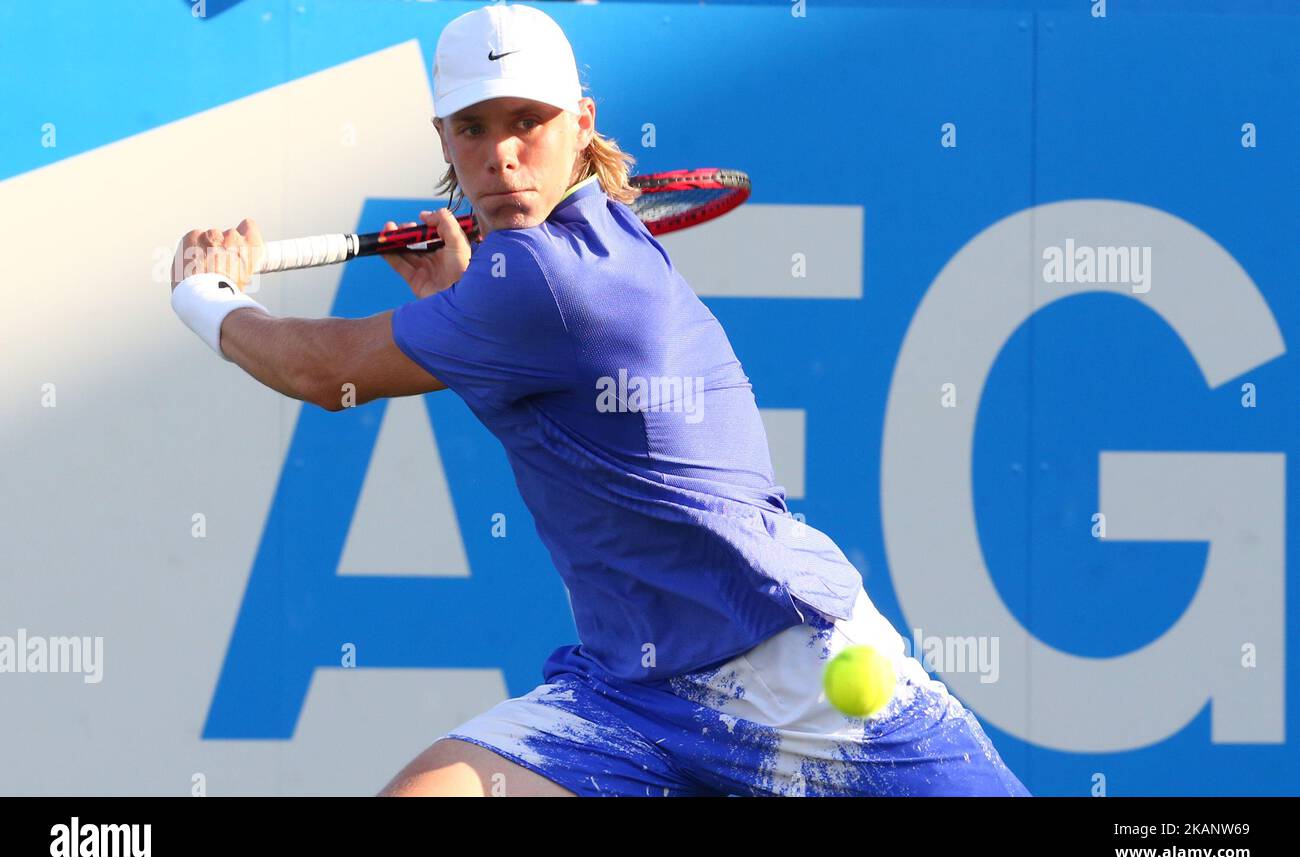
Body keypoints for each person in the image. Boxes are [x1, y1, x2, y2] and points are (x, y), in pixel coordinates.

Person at [170, 2, 1029, 797]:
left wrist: (208, 296)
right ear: (444, 139)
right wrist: (458, 308)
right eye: (473, 128)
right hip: (630, 691)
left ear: (581, 124)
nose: (501, 154)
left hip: (802, 676)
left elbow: (325, 375)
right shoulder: (569, 252)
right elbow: (554, 380)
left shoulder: (535, 279)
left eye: (527, 123)